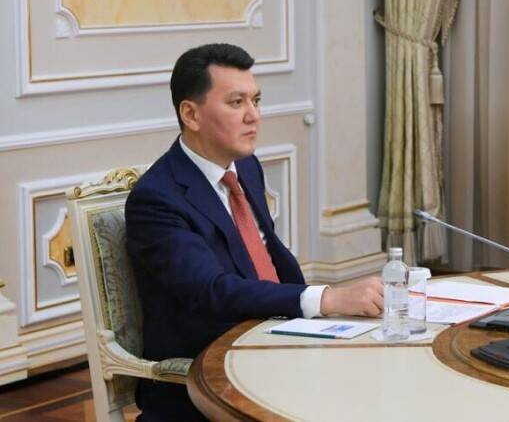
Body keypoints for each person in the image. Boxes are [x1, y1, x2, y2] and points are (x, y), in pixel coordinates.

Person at [126, 43, 384, 421]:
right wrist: (326, 298)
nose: (254, 116)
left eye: (256, 100)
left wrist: (322, 317)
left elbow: (268, 260)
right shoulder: (157, 199)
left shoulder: (245, 168)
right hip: (210, 376)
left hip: (276, 342)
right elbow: (211, 291)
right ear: (190, 114)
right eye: (237, 103)